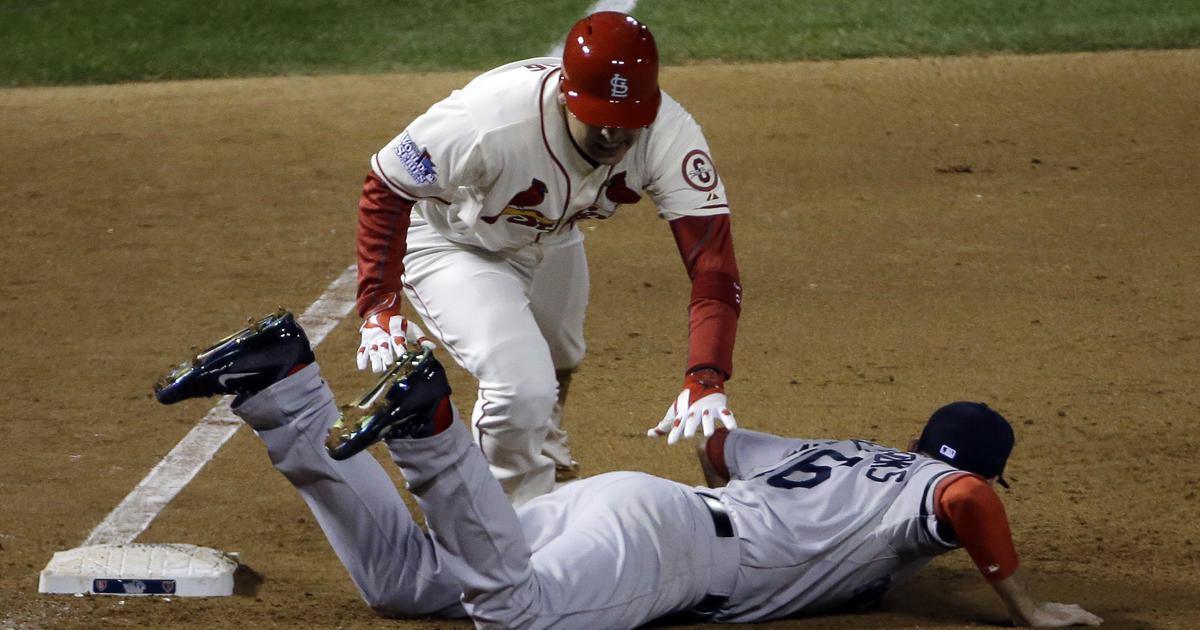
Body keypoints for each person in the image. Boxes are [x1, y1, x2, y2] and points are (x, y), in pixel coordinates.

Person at [154, 310, 1103, 630]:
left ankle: (282, 384)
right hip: (670, 553)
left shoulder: (840, 455)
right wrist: (1027, 608)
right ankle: (430, 431)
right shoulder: (925, 499)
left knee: (405, 584)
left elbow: (724, 445)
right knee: (514, 617)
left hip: (624, 505)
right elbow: (967, 497)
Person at [351, 11, 743, 506]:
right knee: (521, 389)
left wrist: (706, 374)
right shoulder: (488, 119)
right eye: (598, 118)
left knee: (560, 357)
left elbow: (713, 265)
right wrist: (379, 303)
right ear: (564, 93)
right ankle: (511, 521)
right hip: (454, 243)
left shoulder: (670, 134)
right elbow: (387, 184)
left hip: (548, 235)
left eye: (628, 122)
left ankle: (544, 455)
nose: (613, 137)